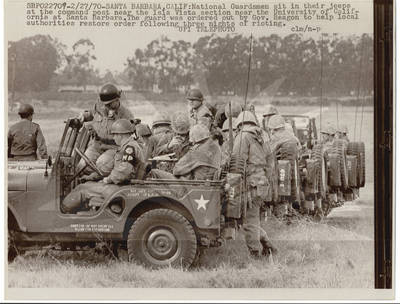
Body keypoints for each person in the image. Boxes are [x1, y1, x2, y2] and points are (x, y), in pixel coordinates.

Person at [61, 119, 144, 214]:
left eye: (114, 135)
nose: (114, 138)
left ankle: (61, 213)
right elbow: (109, 168)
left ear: (120, 135)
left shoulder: (130, 148)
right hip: (122, 185)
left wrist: (108, 180)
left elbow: (123, 171)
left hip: (124, 187)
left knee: (82, 189)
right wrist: (91, 177)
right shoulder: (125, 147)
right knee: (86, 185)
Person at [232, 111, 276, 258]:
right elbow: (271, 163)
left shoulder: (243, 137)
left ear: (240, 124)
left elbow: (237, 162)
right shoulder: (263, 136)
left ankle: (255, 254)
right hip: (262, 182)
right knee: (253, 217)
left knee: (248, 220)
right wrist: (265, 179)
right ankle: (267, 245)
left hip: (250, 184)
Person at [77, 83, 133, 172]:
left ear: (117, 100)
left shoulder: (126, 115)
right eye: (105, 104)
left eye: (110, 104)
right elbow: (92, 113)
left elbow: (130, 138)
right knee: (82, 166)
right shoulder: (99, 107)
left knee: (101, 165)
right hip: (97, 146)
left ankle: (102, 182)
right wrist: (84, 115)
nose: (106, 107)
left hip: (113, 148)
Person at [151, 124, 221, 180]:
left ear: (193, 139)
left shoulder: (195, 152)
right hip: (206, 181)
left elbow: (176, 170)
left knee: (154, 172)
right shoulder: (215, 146)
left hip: (190, 185)